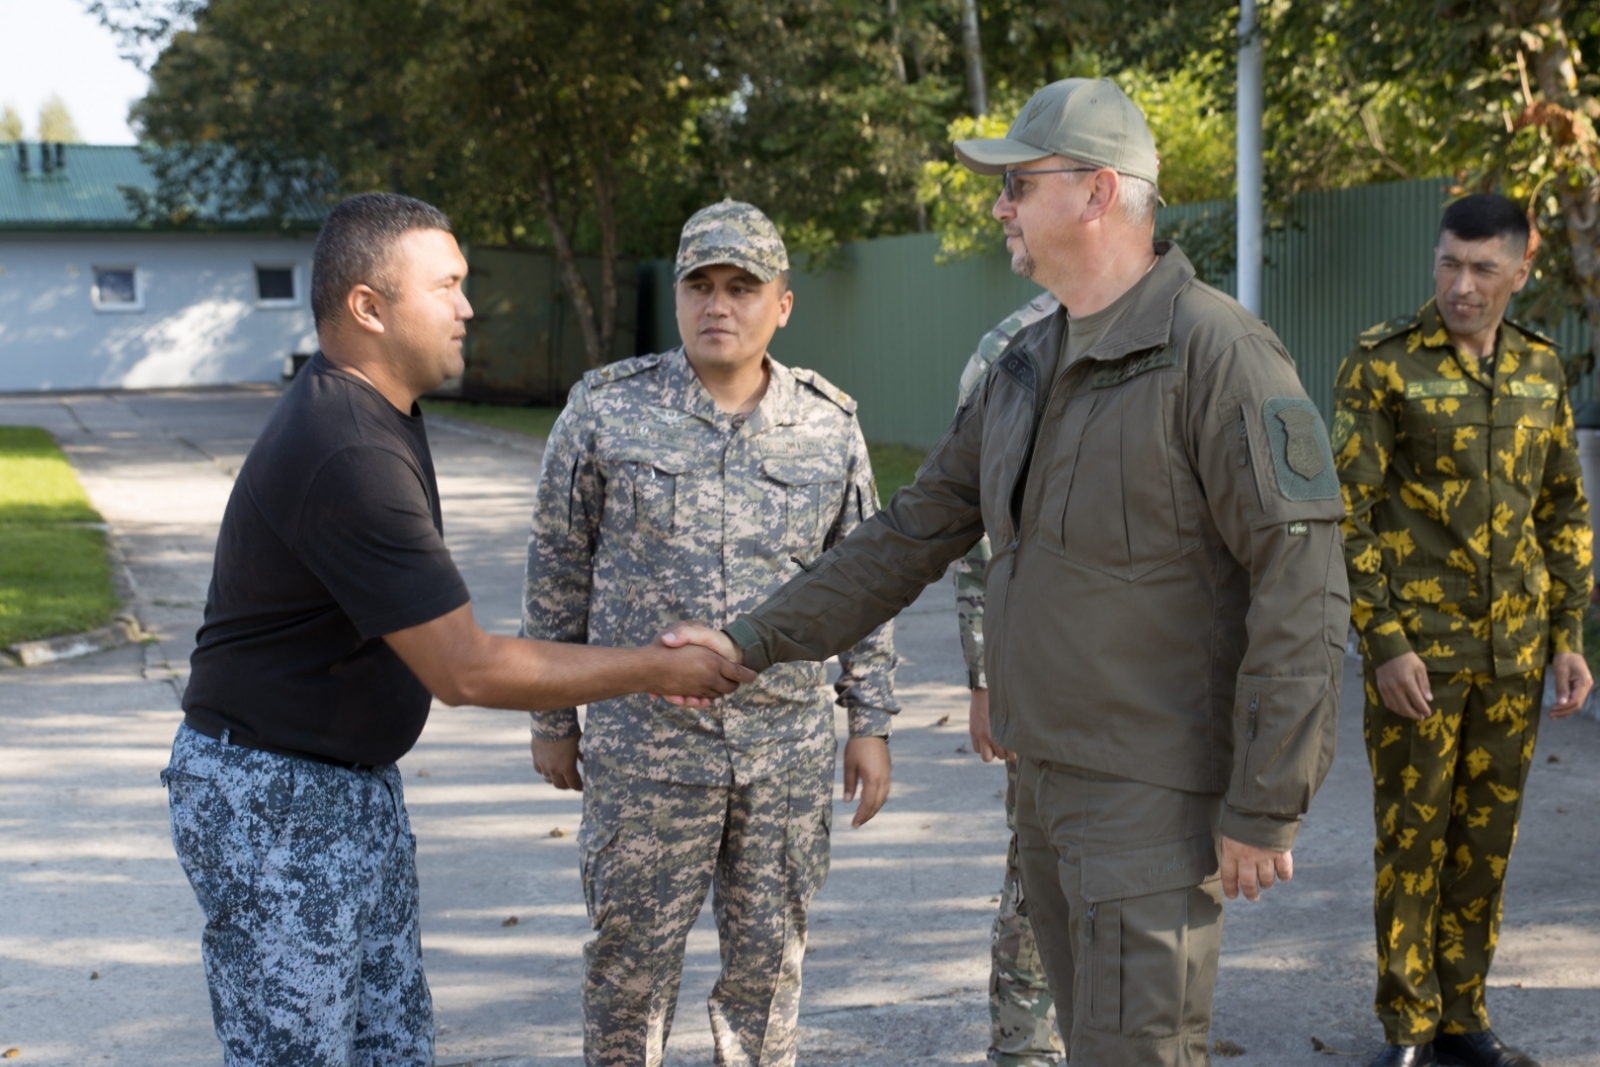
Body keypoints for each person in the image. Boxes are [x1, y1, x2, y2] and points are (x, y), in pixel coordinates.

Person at [664, 77, 1349, 1067]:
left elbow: (1303, 577)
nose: (999, 205)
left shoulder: (1217, 354)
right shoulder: (1028, 363)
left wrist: (1267, 796)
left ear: (1098, 193)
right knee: (1083, 1047)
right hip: (1043, 781)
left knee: (1136, 1054)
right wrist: (748, 638)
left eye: (1018, 183)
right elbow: (909, 532)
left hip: (1148, 797)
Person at [163, 192, 752, 1067]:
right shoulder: (345, 448)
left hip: (344, 789)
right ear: (369, 306)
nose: (468, 306)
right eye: (446, 285)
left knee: (392, 1045)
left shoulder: (378, 413)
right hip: (275, 803)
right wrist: (655, 666)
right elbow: (466, 667)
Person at [522, 199, 899, 1067]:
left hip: (784, 753)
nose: (718, 305)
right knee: (629, 972)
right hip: (645, 752)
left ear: (783, 304)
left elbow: (864, 582)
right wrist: (550, 718)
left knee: (768, 977)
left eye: (741, 286)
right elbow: (557, 567)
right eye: (700, 285)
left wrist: (870, 721)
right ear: (680, 297)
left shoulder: (827, 425)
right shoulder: (606, 411)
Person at [1332, 192, 1593, 1067]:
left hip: (1515, 656)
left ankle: (1463, 1018)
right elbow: (1347, 514)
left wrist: (1569, 634)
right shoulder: (1383, 367)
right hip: (1421, 658)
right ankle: (1407, 1028)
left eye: (1484, 268)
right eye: (1450, 262)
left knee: (1484, 845)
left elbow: (1562, 509)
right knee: (1413, 839)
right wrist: (1384, 643)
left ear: (1522, 270)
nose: (1462, 285)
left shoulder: (1542, 371)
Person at [953, 292, 1064, 1067]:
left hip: (1154, 679)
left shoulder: (1192, 329)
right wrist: (986, 674)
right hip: (1037, 669)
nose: (1004, 211)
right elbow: (977, 525)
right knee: (1036, 874)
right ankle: (1024, 1050)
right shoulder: (1008, 350)